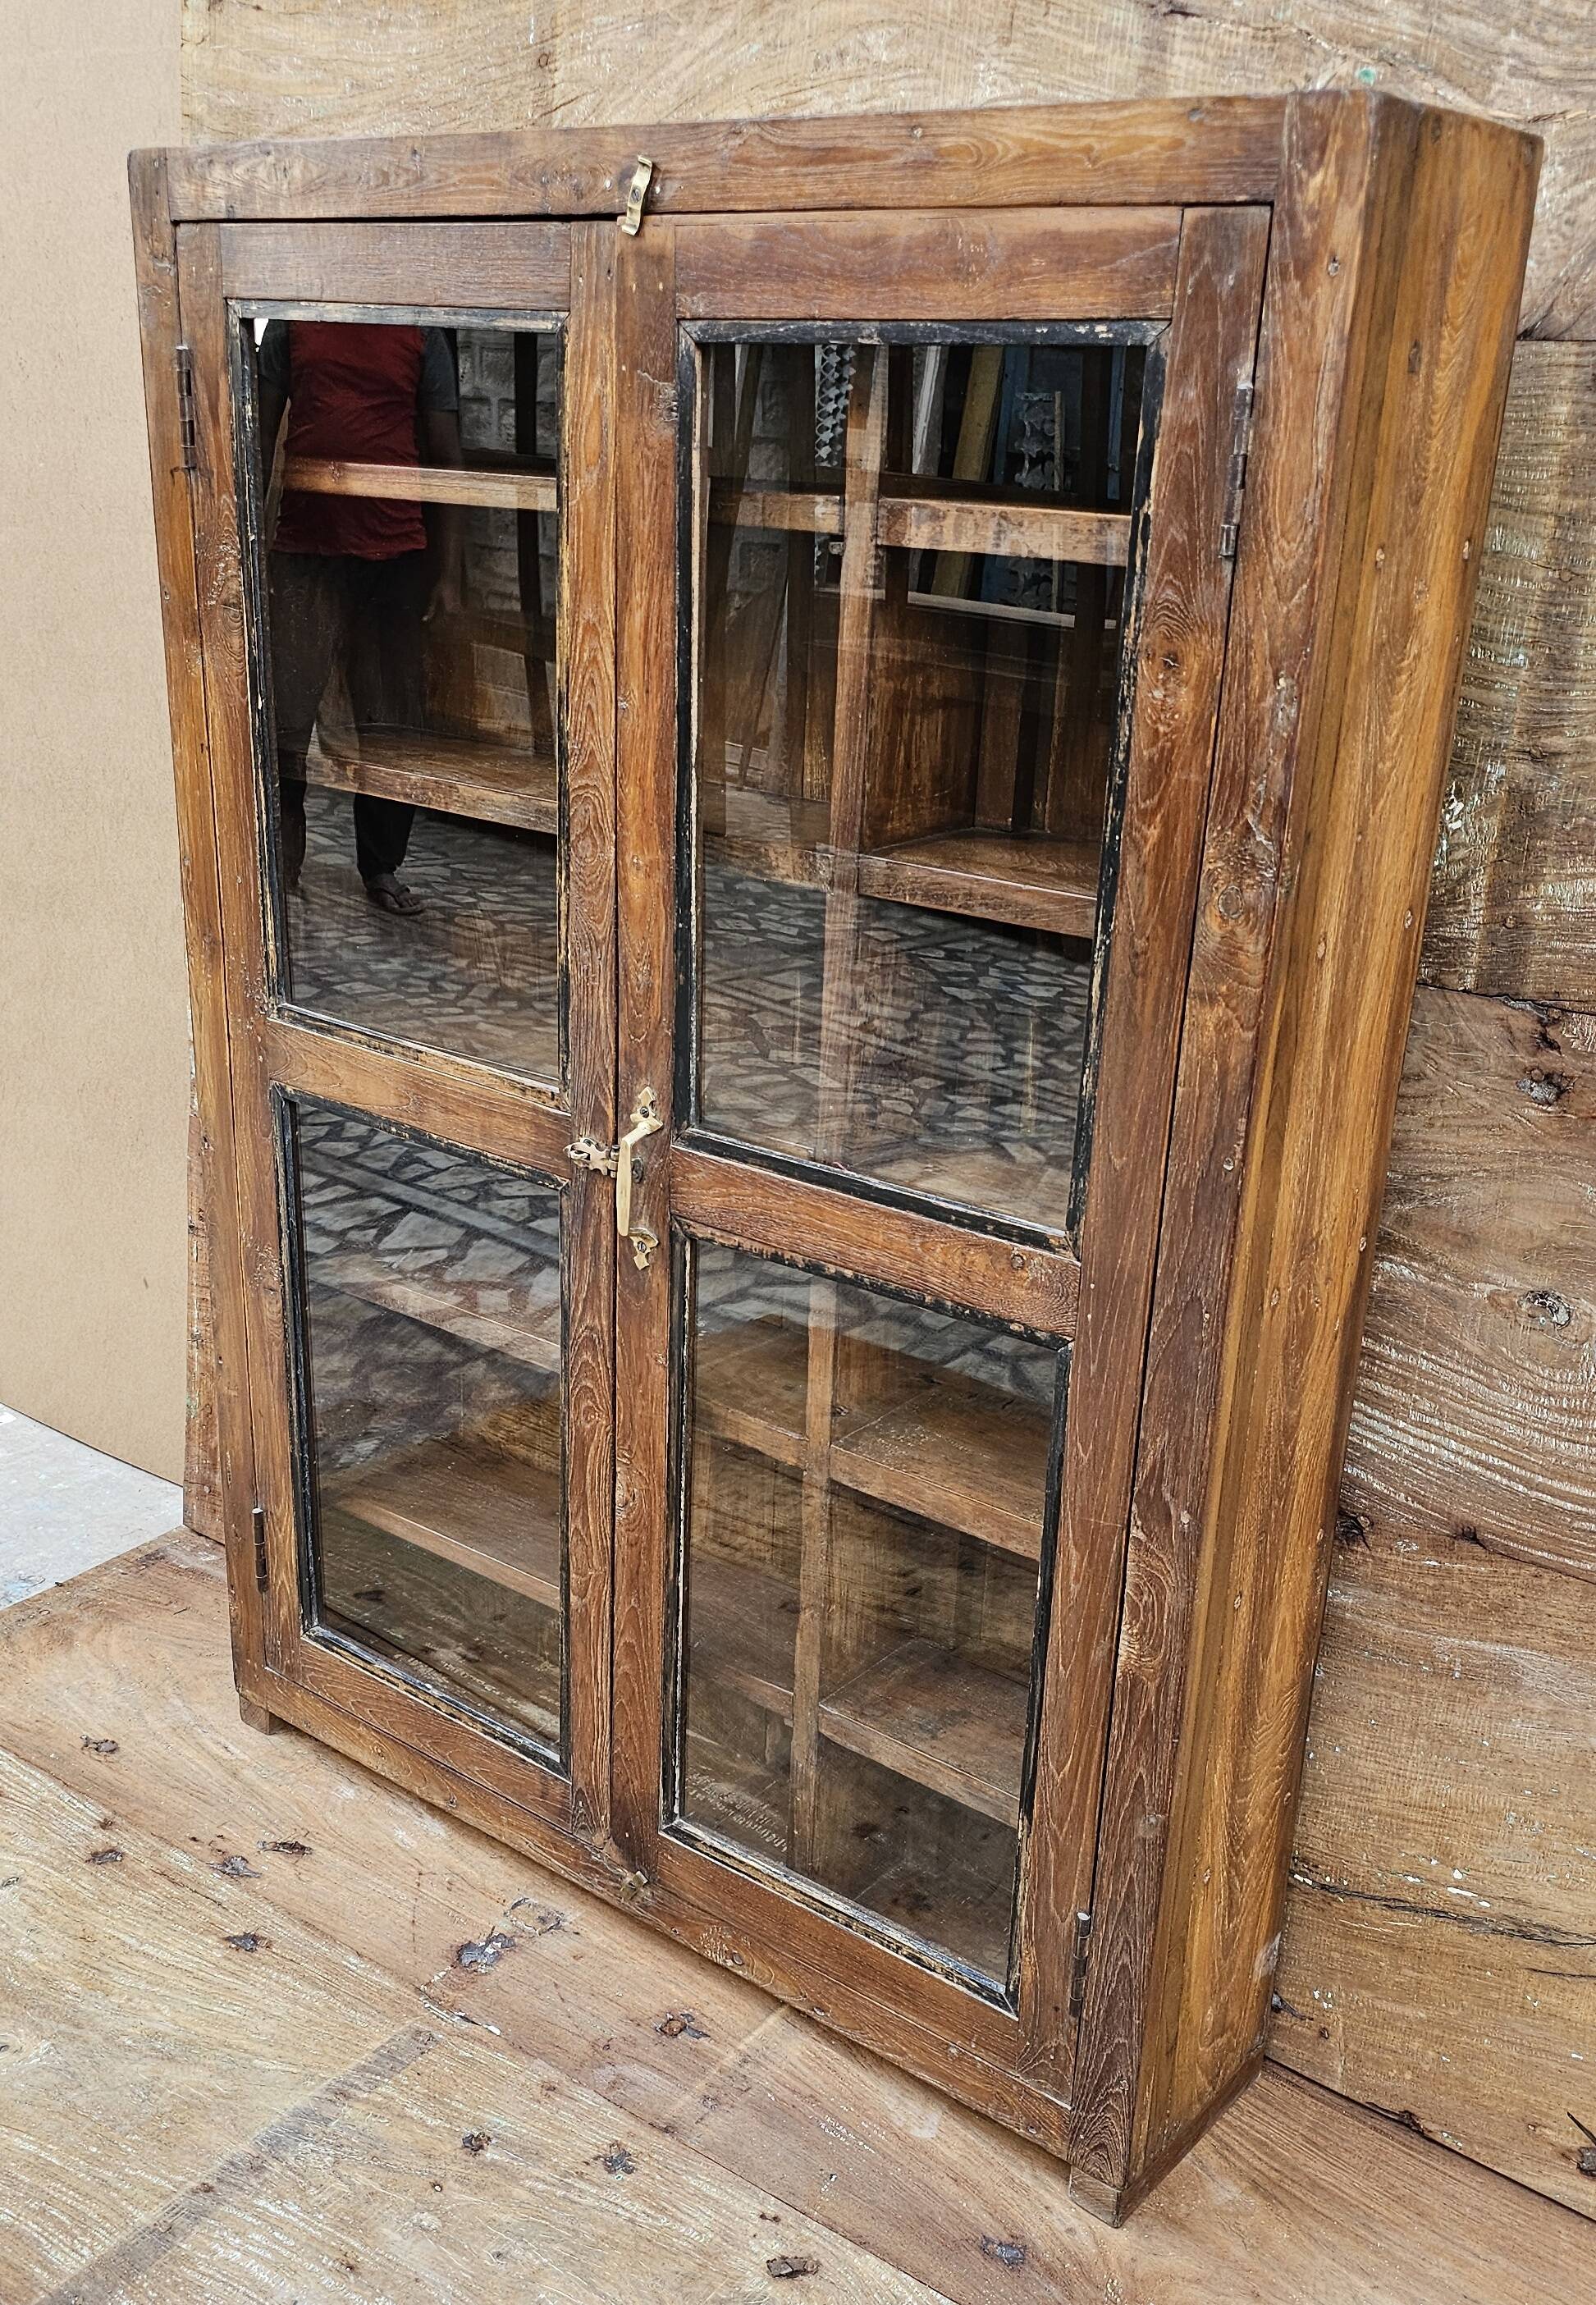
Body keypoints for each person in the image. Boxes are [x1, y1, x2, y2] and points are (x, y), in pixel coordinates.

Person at [256, 320, 465, 917]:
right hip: (304, 552)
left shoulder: (421, 331)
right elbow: (257, 438)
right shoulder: (291, 322)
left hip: (394, 555)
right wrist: (244, 549)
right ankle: (280, 867)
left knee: (391, 723)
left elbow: (447, 457)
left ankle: (381, 866)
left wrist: (449, 574)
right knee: (285, 719)